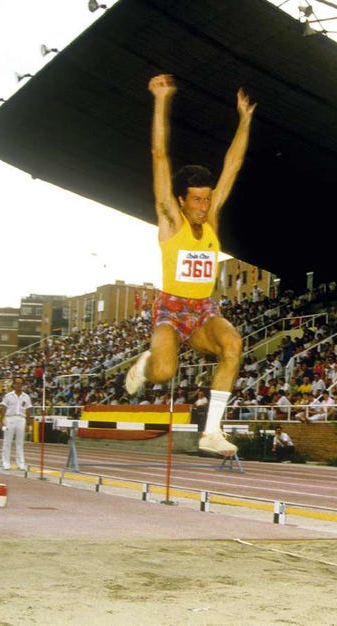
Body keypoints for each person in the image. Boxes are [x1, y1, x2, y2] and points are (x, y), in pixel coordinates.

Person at [123, 74, 256, 458]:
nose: (202, 206)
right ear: (180, 201)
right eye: (196, 200)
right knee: (164, 373)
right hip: (171, 308)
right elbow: (159, 157)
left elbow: (233, 164)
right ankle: (145, 365)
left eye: (206, 199)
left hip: (203, 309)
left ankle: (211, 432)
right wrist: (161, 99)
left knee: (232, 344)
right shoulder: (170, 220)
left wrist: (244, 120)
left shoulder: (211, 219)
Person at [0, 377, 32, 471]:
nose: (19, 385)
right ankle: (5, 462)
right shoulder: (8, 396)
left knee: (20, 443)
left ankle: (21, 463)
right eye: (17, 383)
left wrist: (29, 424)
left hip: (21, 419)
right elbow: (3, 408)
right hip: (10, 418)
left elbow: (28, 411)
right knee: (7, 442)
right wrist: (1, 421)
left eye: (21, 383)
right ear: (13, 385)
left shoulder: (26, 397)